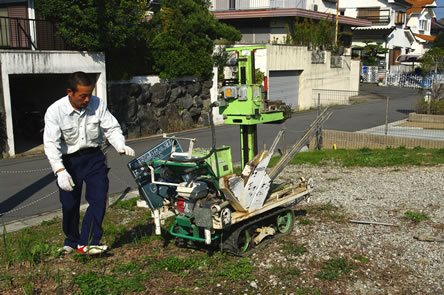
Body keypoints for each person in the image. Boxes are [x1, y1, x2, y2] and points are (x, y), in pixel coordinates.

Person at [43, 71, 135, 255]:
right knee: (69, 204)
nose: (87, 99)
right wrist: (60, 170)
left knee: (99, 198)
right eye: (82, 95)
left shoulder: (97, 104)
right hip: (69, 161)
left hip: (94, 157)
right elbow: (51, 143)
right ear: (70, 92)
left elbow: (111, 127)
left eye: (89, 95)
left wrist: (120, 144)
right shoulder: (55, 111)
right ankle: (72, 240)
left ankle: (88, 242)